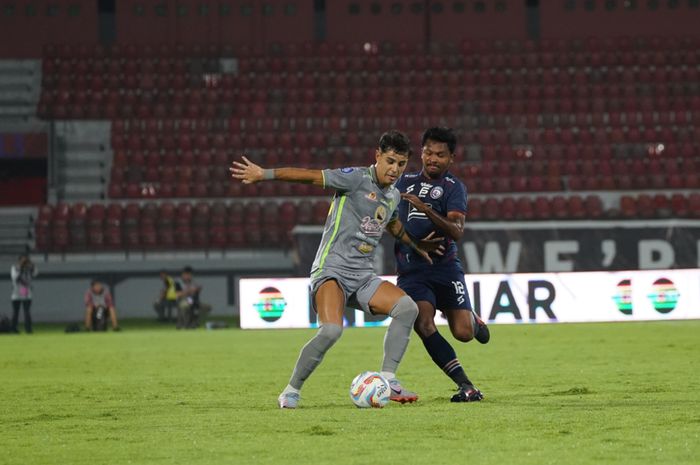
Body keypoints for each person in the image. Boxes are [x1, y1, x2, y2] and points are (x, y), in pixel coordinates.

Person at [230, 130, 444, 409]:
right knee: (331, 331)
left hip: (363, 276)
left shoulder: (392, 196)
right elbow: (310, 175)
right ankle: (292, 390)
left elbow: (392, 224)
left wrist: (417, 245)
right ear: (377, 156)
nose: (395, 169)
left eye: (401, 164)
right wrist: (265, 174)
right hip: (331, 270)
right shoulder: (355, 179)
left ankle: (389, 379)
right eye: (390, 161)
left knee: (408, 309)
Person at [394, 126, 490, 403]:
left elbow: (457, 230)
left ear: (451, 159)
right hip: (412, 270)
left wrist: (425, 208)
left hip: (446, 268)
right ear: (421, 153)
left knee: (463, 333)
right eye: (428, 152)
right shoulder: (403, 182)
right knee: (423, 323)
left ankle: (473, 319)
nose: (432, 159)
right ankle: (466, 386)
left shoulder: (453, 187)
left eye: (439, 155)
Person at [10, 254, 37, 334]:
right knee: (16, 312)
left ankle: (28, 329)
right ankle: (13, 328)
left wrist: (32, 266)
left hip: (26, 292)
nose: (24, 262)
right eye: (23, 260)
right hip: (17, 292)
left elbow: (35, 273)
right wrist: (21, 268)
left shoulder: (29, 268)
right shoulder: (15, 267)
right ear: (19, 261)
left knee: (27, 311)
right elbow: (15, 278)